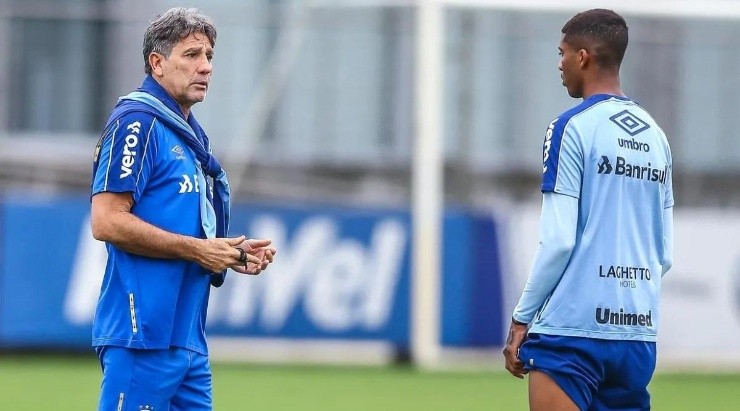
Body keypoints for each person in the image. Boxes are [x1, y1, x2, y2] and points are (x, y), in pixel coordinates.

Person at [89, 7, 276, 411]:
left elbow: (180, 221)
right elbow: (106, 221)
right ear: (157, 63)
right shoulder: (137, 123)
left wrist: (227, 252)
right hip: (143, 336)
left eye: (208, 55)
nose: (205, 66)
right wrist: (198, 250)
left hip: (188, 339)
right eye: (191, 55)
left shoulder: (189, 135)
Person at [502, 9, 674, 411]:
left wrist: (522, 318)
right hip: (636, 336)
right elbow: (664, 254)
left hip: (572, 334)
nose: (559, 64)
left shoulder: (571, 127)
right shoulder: (656, 138)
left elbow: (558, 241)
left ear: (583, 57)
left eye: (561, 53)